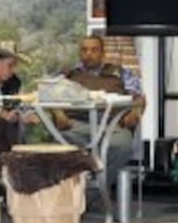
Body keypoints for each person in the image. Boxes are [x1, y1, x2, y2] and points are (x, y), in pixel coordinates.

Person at [53, 35, 146, 194]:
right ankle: (73, 193)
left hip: (112, 125)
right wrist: (59, 115)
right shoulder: (68, 75)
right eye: (84, 50)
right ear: (79, 53)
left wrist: (135, 113)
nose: (89, 54)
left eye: (94, 50)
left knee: (122, 146)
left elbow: (139, 98)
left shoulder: (120, 73)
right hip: (76, 125)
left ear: (102, 53)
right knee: (60, 143)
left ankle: (90, 194)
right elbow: (50, 96)